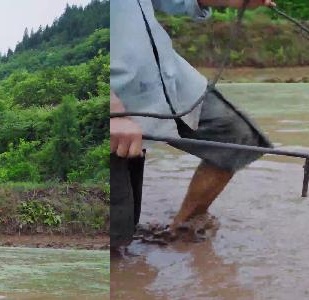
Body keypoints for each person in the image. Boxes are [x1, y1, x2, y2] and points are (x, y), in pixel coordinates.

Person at [110, 0, 276, 249]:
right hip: (114, 95)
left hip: (165, 76)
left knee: (235, 138)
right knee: (117, 236)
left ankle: (181, 231)